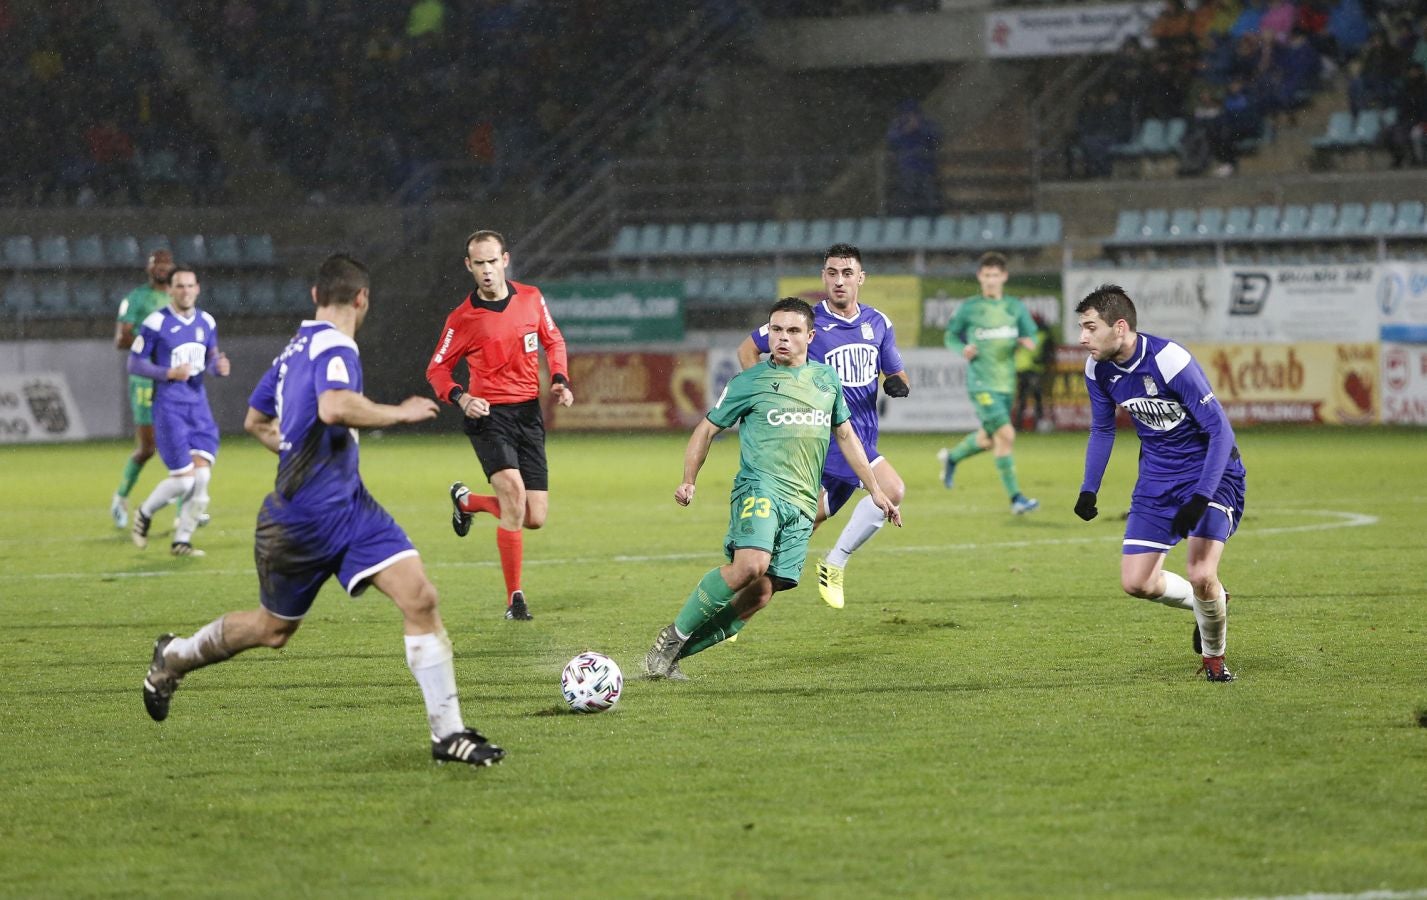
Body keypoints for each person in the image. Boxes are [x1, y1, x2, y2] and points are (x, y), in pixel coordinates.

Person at [141, 253, 504, 768]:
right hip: (301, 520)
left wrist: (299, 453)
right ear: (362, 299)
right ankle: (174, 656)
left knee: (420, 598)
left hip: (350, 507)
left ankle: (448, 735)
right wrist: (397, 412)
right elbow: (335, 405)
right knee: (273, 629)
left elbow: (254, 420)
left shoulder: (294, 349)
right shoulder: (336, 345)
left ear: (315, 295)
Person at [643, 298, 902, 680]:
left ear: (810, 337)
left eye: (793, 331)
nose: (783, 338)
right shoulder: (749, 382)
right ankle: (670, 637)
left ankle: (674, 657)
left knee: (761, 593)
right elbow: (707, 428)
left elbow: (846, 435)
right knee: (751, 565)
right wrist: (688, 479)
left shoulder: (826, 381)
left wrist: (877, 491)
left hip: (802, 503)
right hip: (760, 489)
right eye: (777, 330)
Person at [1073, 284, 1245, 683]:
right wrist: (1089, 488)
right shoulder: (1098, 368)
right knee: (1137, 583)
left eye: (1089, 327)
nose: (1082, 337)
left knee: (1201, 572)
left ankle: (1214, 661)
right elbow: (1102, 428)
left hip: (1212, 475)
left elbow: (1220, 432)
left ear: (1119, 327)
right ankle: (1216, 602)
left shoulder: (1168, 360)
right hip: (1156, 480)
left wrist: (1202, 497)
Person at [736, 243, 909, 610]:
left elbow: (897, 371)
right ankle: (834, 563)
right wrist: (767, 391)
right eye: (832, 273)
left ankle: (737, 609)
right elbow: (747, 350)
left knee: (791, 541)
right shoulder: (806, 322)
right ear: (823, 277)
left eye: (847, 273)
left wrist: (898, 382)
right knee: (891, 489)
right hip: (820, 439)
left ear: (861, 278)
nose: (840, 281)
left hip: (859, 439)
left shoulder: (878, 323)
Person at [425, 229, 573, 621]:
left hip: (528, 415)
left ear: (505, 260)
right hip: (488, 417)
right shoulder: (463, 319)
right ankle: (515, 600)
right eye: (479, 264)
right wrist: (461, 397)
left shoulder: (531, 298)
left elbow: (553, 340)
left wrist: (559, 378)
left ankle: (467, 501)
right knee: (512, 494)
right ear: (468, 267)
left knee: (534, 516)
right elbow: (437, 368)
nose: (487, 270)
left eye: (493, 261)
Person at [126, 264, 230, 556]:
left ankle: (181, 541)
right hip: (169, 407)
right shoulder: (156, 323)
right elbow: (134, 363)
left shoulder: (206, 322)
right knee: (184, 479)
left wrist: (218, 367)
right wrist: (168, 373)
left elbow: (210, 358)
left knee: (203, 477)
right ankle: (145, 512)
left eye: (190, 286)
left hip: (198, 407)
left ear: (197, 289)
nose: (185, 291)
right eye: (179, 286)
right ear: (170, 290)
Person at [937, 251, 1041, 514]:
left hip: (1006, 384)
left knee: (988, 440)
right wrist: (962, 348)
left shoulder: (1014, 307)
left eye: (996, 275)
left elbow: (1032, 334)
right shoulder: (970, 308)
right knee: (1006, 435)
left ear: (1004, 277)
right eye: (987, 275)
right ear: (979, 277)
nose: (991, 280)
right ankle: (1016, 499)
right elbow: (950, 336)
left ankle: (952, 458)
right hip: (981, 383)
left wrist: (1029, 342)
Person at [110, 248, 175, 528]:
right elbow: (121, 340)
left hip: (172, 380)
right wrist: (151, 339)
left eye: (165, 263)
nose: (161, 267)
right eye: (156, 263)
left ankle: (187, 511)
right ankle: (120, 497)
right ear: (148, 269)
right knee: (148, 448)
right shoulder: (135, 299)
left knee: (181, 444)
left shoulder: (177, 298)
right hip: (145, 381)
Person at [1014, 312, 1056, 433]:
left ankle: (1021, 424)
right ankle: (1035, 423)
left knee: (1025, 397)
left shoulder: (1023, 333)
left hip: (1027, 369)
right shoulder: (1042, 334)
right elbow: (1048, 353)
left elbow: (1047, 353)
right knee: (1034, 397)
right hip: (1031, 369)